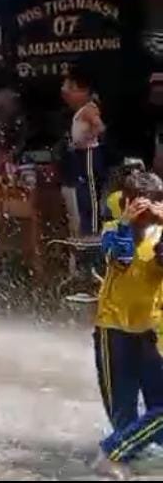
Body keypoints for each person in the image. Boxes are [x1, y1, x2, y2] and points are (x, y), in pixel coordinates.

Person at [89, 172, 163, 479]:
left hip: (151, 333)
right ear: (125, 204)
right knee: (122, 411)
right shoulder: (112, 230)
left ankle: (120, 452)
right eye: (137, 205)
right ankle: (116, 456)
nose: (145, 213)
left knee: (158, 412)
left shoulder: (160, 235)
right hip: (114, 331)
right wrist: (125, 225)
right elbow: (119, 258)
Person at [61, 75, 107, 238]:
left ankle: (93, 229)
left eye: (71, 89)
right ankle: (87, 226)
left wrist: (88, 138)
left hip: (89, 153)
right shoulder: (81, 110)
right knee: (83, 190)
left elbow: (100, 127)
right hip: (81, 154)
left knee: (91, 191)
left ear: (84, 92)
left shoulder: (89, 109)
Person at [104, 158, 146, 223]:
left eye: (140, 171)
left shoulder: (147, 196)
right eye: (128, 172)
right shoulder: (114, 198)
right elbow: (108, 224)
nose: (134, 173)